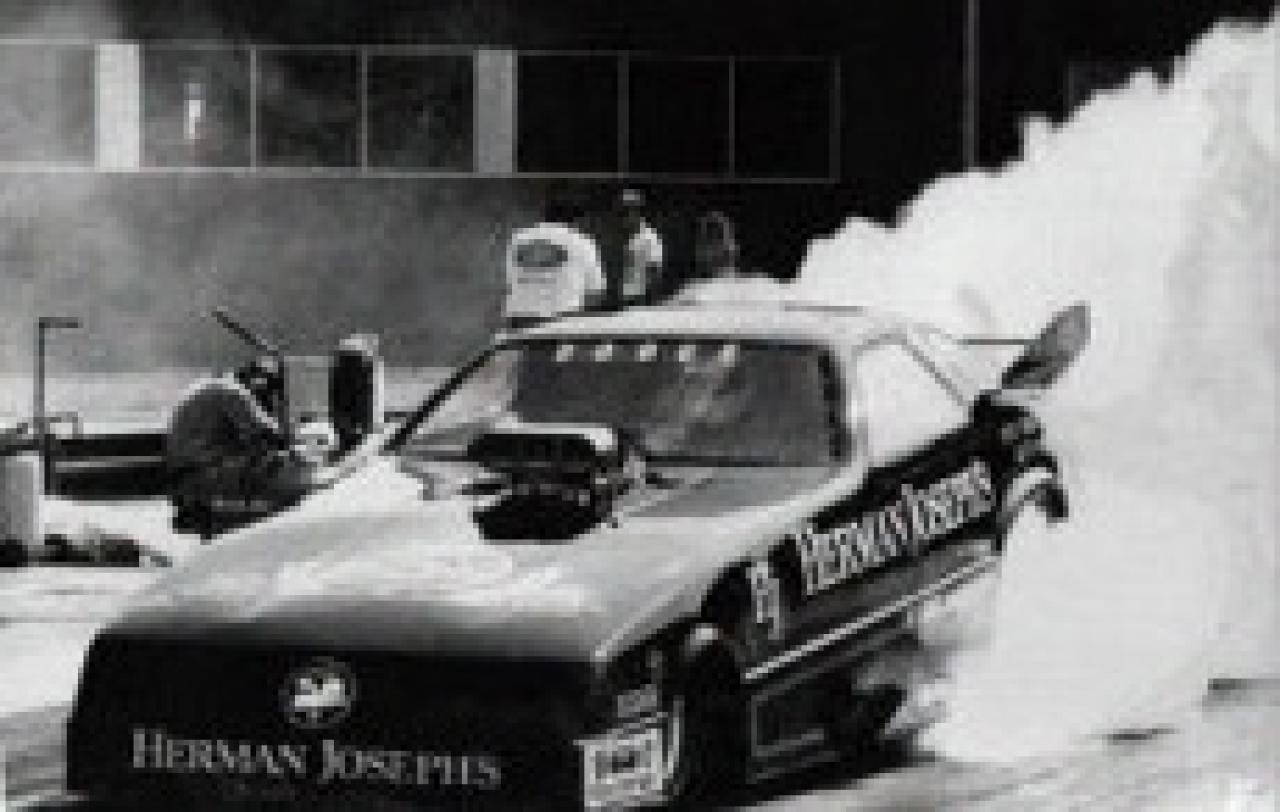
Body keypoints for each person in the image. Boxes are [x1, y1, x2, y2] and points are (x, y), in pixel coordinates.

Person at [165, 356, 317, 536]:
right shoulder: (232, 392)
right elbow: (266, 433)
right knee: (294, 470)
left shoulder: (208, 387)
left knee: (272, 462)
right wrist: (298, 439)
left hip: (186, 476)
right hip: (206, 475)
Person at [502, 197, 606, 328]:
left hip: (518, 317)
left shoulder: (518, 238)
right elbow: (595, 291)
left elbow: (509, 281)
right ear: (578, 219)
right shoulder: (581, 241)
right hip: (561, 317)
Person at [599, 188, 665, 309]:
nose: (622, 217)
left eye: (626, 211)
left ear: (637, 212)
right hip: (619, 302)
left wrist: (649, 304)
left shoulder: (649, 238)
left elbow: (655, 274)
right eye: (620, 212)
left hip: (639, 302)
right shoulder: (619, 236)